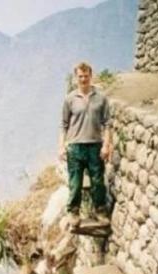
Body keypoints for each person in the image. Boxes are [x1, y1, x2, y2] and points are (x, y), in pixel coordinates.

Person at [58, 62, 112, 229]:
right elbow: (63, 125)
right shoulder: (70, 99)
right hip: (75, 146)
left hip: (95, 145)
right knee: (75, 182)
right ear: (76, 77)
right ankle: (73, 213)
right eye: (80, 76)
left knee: (98, 181)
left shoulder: (101, 98)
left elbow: (108, 124)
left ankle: (100, 212)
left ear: (91, 76)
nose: (83, 79)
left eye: (86, 76)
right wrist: (61, 146)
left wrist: (107, 145)